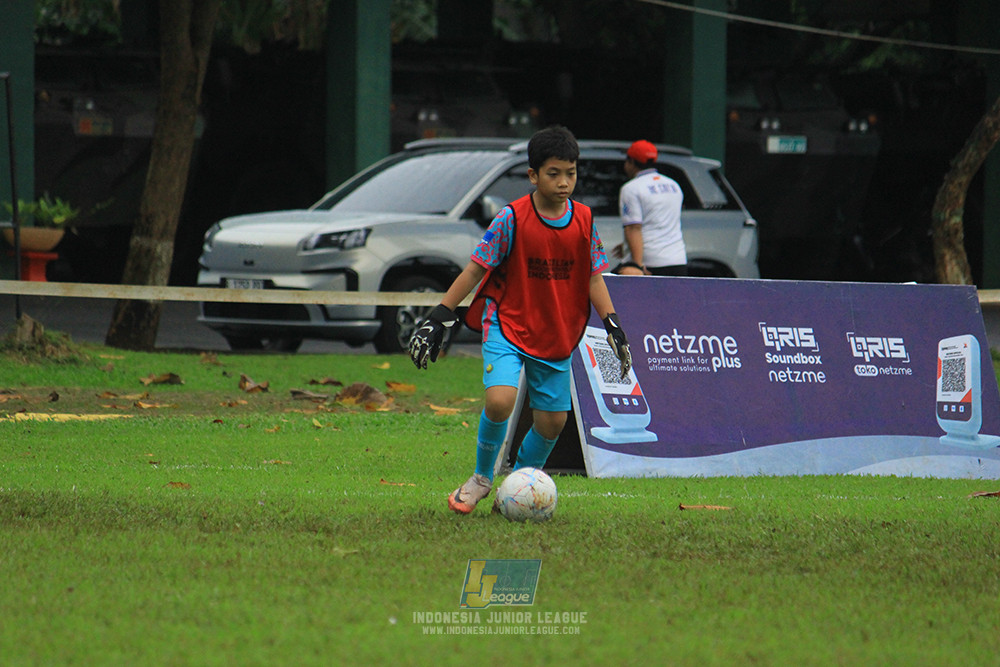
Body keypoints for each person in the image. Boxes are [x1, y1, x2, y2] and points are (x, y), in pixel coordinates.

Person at [408, 125, 632, 515]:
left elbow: (594, 276)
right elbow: (475, 270)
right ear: (533, 175)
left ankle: (519, 484)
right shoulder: (511, 219)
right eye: (554, 173)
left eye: (571, 173)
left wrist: (611, 321)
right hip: (507, 324)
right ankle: (480, 478)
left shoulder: (583, 220)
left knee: (552, 424)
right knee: (500, 401)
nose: (564, 183)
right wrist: (440, 314)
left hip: (556, 332)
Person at [614, 139, 688, 276]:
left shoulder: (631, 188)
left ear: (630, 162)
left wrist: (638, 266)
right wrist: (626, 245)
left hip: (650, 263)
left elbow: (633, 228)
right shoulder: (673, 185)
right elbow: (658, 223)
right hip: (678, 261)